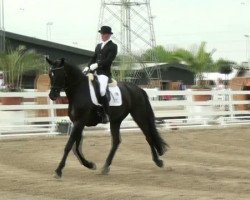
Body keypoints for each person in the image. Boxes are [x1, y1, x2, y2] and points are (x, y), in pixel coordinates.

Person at [83, 25, 118, 123]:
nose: (103, 36)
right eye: (102, 34)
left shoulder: (113, 46)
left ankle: (105, 113)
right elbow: (93, 58)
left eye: (105, 34)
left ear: (109, 35)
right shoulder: (98, 46)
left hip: (104, 73)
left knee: (102, 90)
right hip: (94, 73)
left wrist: (97, 65)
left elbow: (109, 60)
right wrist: (88, 66)